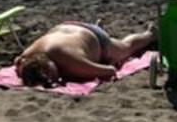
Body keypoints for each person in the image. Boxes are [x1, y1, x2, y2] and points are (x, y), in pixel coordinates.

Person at [16, 21, 156, 87]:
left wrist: (71, 74)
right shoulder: (27, 57)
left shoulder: (71, 61)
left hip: (97, 38)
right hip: (65, 26)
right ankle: (96, 29)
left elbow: (110, 70)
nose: (55, 78)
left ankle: (150, 34)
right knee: (82, 45)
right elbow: (18, 61)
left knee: (126, 48)